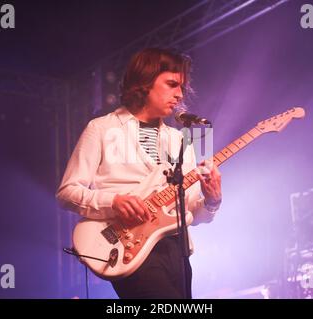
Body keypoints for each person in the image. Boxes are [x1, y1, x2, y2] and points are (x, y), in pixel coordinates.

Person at [56, 47, 222, 299]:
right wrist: (113, 202)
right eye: (171, 84)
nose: (179, 95)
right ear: (144, 83)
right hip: (126, 245)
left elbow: (188, 212)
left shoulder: (180, 139)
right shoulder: (102, 128)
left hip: (176, 250)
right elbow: (67, 192)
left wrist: (211, 202)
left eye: (182, 88)